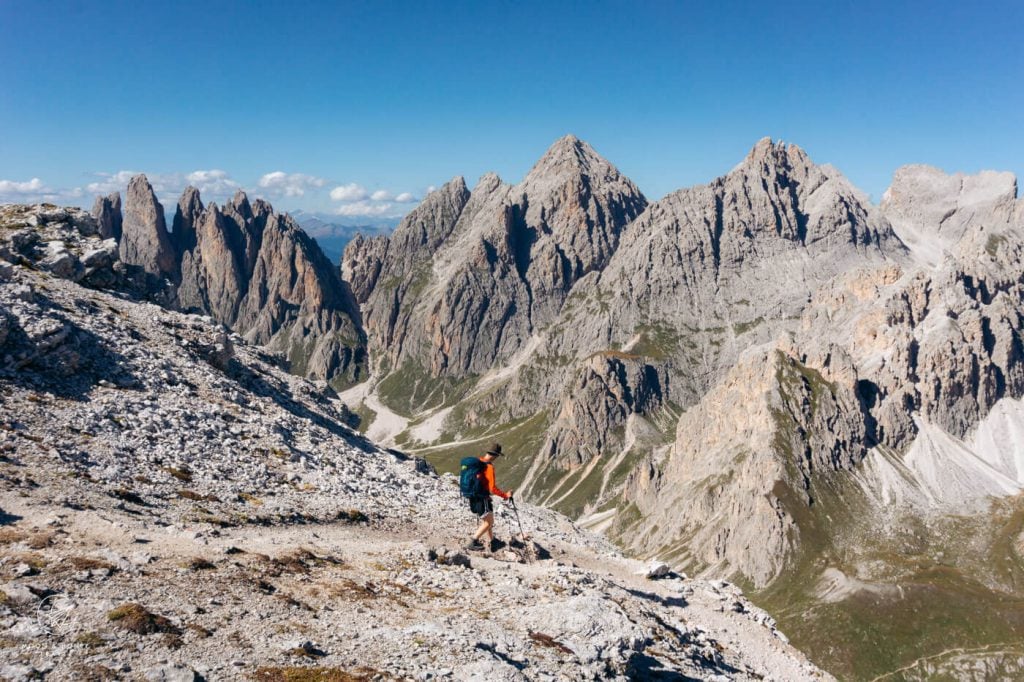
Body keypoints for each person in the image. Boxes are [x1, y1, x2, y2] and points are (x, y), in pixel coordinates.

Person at [465, 443, 513, 552]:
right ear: (495, 455)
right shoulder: (489, 467)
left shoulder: (476, 461)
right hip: (482, 497)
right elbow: (492, 488)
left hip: (473, 496)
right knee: (489, 522)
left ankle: (493, 542)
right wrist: (505, 495)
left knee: (488, 519)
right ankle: (473, 541)